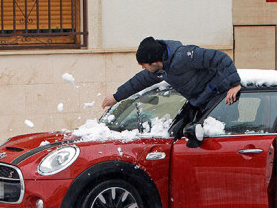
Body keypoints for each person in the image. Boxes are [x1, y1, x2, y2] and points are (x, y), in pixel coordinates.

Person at [101, 37, 242, 143]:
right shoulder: (160, 70)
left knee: (218, 137)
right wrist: (116, 97)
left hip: (220, 98)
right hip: (200, 100)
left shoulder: (185, 56)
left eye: (143, 65)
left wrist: (234, 83)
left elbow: (219, 57)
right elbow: (138, 82)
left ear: (154, 62)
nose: (143, 68)